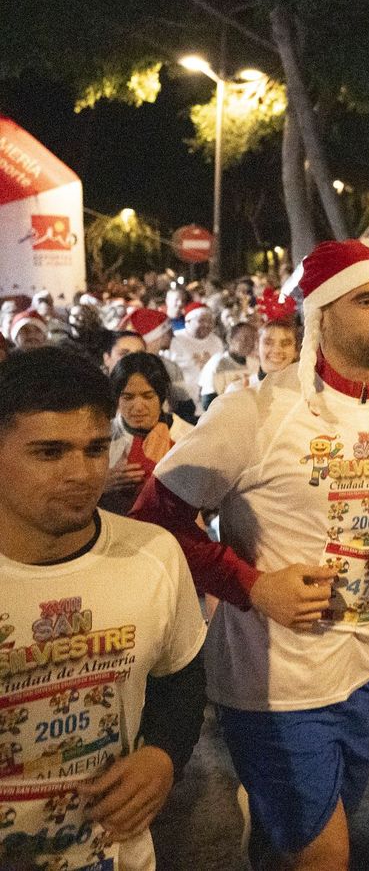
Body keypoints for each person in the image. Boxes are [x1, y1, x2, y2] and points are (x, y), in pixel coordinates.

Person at [131, 240, 369, 871]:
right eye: (365, 300)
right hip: (271, 684)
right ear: (321, 315)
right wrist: (252, 585)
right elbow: (153, 517)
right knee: (325, 855)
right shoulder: (255, 411)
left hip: (362, 669)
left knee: (304, 838)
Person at [0, 347, 208, 871]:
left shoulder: (154, 555)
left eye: (95, 449)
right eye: (50, 452)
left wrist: (163, 755)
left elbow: (180, 677)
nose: (81, 473)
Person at [101, 352, 194, 515]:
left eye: (148, 396)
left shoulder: (188, 437)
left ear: (161, 397)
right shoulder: (100, 438)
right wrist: (100, 485)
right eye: (128, 397)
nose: (138, 407)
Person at [198, 319, 260, 410]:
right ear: (230, 339)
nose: (250, 343)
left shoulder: (255, 363)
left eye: (253, 339)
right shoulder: (218, 363)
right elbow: (207, 402)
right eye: (245, 338)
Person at [164, 303, 223, 398]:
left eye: (210, 321)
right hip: (184, 398)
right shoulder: (175, 341)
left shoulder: (216, 341)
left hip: (212, 396)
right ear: (188, 321)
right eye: (201, 320)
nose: (206, 325)